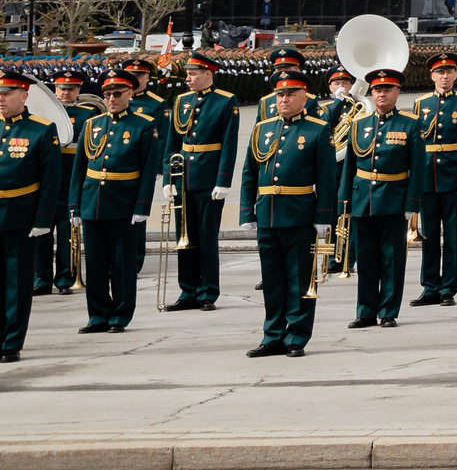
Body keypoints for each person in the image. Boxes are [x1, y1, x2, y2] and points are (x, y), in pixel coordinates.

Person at [240, 72, 337, 358]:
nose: (284, 99)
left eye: (291, 94)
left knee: (299, 280)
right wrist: (247, 210)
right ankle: (272, 336)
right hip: (268, 214)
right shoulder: (262, 129)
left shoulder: (318, 130)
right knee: (272, 280)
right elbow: (249, 172)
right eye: (280, 95)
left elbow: (327, 178)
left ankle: (296, 335)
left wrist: (323, 216)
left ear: (304, 97)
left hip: (300, 213)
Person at [73, 68, 160, 333]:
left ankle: (120, 316)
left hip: (124, 203)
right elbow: (79, 167)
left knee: (122, 265)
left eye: (117, 93)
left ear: (130, 93)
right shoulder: (92, 124)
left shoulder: (144, 125)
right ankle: (97, 315)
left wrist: (142, 206)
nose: (111, 98)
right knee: (96, 263)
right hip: (93, 202)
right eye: (107, 94)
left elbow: (148, 169)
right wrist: (74, 205)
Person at [338, 66, 420, 329]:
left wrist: (412, 203)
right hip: (363, 200)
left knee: (392, 259)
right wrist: (344, 201)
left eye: (387, 89)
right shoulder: (359, 125)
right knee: (366, 259)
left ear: (398, 92)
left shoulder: (410, 124)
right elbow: (350, 166)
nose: (381, 94)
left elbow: (418, 168)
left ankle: (388, 311)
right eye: (377, 90)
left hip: (394, 200)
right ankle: (365, 311)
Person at [164, 50, 238, 312]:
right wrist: (168, 178)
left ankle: (207, 291)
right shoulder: (181, 100)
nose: (188, 79)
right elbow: (172, 142)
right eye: (187, 74)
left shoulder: (225, 101)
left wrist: (223, 180)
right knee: (185, 237)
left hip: (208, 178)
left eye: (193, 74)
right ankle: (187, 291)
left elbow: (229, 144)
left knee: (206, 237)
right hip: (184, 177)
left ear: (208, 74)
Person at [0, 68, 65, 361]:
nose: (1, 100)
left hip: (21, 216)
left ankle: (11, 341)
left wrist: (43, 219)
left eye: (6, 94)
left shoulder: (41, 129)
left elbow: (50, 180)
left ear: (24, 96)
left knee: (17, 281)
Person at [410, 52, 457, 308]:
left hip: (454, 177)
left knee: (452, 235)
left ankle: (449, 286)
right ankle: (430, 286)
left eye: (449, 72)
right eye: (440, 72)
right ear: (432, 75)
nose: (445, 76)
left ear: (456, 74)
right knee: (428, 235)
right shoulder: (420, 104)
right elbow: (416, 146)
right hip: (427, 177)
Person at [41, 69, 97, 296]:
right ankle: (41, 279)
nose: (66, 93)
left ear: (79, 90)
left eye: (71, 89)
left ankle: (65, 278)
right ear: (54, 89)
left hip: (71, 178)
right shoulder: (43, 113)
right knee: (41, 233)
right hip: (45, 180)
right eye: (62, 88)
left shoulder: (88, 113)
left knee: (67, 233)